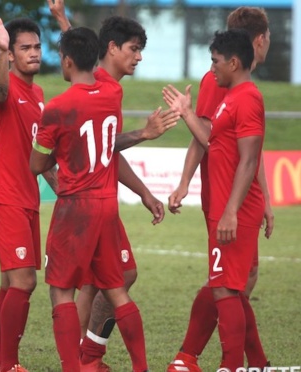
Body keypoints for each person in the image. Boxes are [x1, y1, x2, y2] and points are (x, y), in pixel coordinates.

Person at [30, 26, 168, 372]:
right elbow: (107, 146)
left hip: (75, 206)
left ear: (66, 60)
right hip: (107, 204)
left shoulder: (57, 107)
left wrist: (55, 152)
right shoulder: (111, 95)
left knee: (61, 291)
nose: (137, 57)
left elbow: (36, 164)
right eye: (134, 50)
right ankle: (139, 367)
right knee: (117, 289)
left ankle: (73, 367)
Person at [164, 7, 272, 371]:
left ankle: (233, 364)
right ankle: (246, 362)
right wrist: (188, 115)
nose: (210, 68)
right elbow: (211, 141)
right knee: (228, 283)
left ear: (235, 61)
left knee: (229, 283)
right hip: (226, 201)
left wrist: (240, 207)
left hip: (234, 203)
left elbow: (248, 157)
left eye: (215, 61)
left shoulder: (245, 96)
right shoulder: (225, 89)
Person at [0, 16, 58, 372]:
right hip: (3, 196)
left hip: (28, 199)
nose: (34, 53)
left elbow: (43, 157)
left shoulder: (39, 95)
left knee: (11, 282)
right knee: (25, 280)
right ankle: (8, 365)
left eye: (37, 46)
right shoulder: (3, 84)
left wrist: (67, 193)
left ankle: (0, 363)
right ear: (10, 55)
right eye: (24, 48)